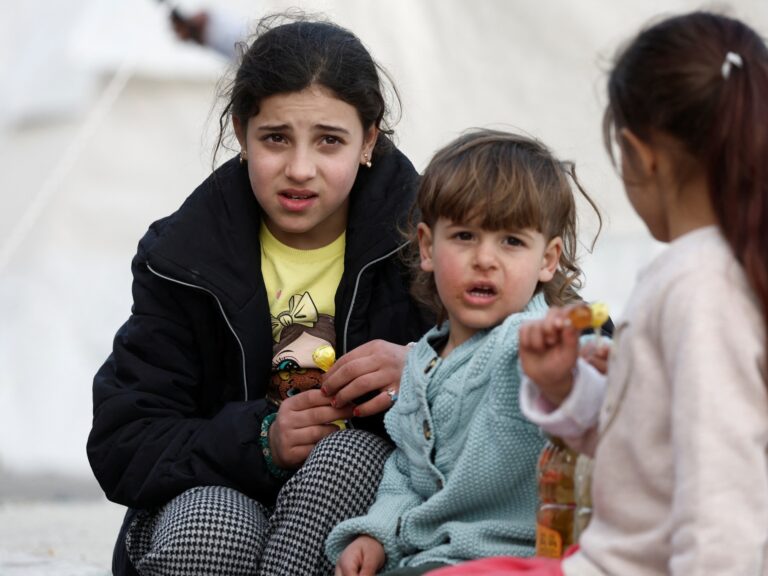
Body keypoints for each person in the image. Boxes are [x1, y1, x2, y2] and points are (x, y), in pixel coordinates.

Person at [87, 14, 432, 576]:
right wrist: (262, 441)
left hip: (376, 507)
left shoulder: (436, 239)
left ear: (369, 140)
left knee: (346, 460)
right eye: (276, 138)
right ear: (241, 131)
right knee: (212, 531)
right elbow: (125, 439)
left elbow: (565, 349)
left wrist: (425, 367)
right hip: (213, 495)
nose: (300, 169)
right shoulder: (183, 258)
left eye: (329, 141)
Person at [428, 10, 768, 576]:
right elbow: (645, 452)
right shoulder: (702, 272)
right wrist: (569, 386)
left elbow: (722, 503)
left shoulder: (702, 286)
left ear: (638, 156)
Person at [324, 128, 602, 576]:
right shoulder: (421, 361)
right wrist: (375, 533)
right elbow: (409, 472)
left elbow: (598, 402)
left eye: (511, 241)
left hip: (517, 558)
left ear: (547, 260)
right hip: (428, 557)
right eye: (465, 236)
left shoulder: (533, 340)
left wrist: (565, 379)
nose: (485, 258)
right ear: (428, 247)